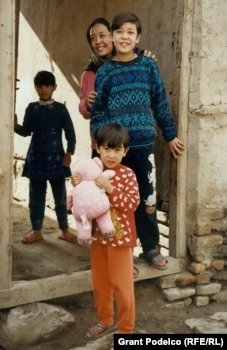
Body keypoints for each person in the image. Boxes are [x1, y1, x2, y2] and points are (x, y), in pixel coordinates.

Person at [90, 12, 185, 270]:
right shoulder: (106, 72)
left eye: (130, 32)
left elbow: (160, 101)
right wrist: (103, 143)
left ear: (137, 37)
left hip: (143, 146)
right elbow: (97, 112)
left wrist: (170, 134)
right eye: (119, 32)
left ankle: (151, 248)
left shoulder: (147, 66)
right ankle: (123, 252)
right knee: (117, 201)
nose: (124, 37)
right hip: (116, 151)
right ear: (112, 36)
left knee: (146, 200)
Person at [72, 123, 140, 342]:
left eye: (117, 149)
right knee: (101, 284)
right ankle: (105, 320)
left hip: (121, 241)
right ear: (98, 148)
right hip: (98, 239)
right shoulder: (93, 171)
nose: (111, 155)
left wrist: (111, 189)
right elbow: (82, 201)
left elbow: (132, 203)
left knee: (122, 287)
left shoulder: (127, 174)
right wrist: (77, 185)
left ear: (125, 151)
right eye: (107, 149)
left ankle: (126, 331)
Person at [79, 17, 156, 158]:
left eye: (102, 36)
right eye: (93, 38)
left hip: (134, 143)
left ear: (112, 36)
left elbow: (153, 96)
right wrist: (87, 104)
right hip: (104, 146)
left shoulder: (138, 61)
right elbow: (84, 111)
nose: (98, 42)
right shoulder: (89, 73)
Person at [14, 70, 77, 244]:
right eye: (39, 86)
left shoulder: (60, 109)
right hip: (36, 160)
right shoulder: (32, 109)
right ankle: (36, 231)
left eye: (47, 86)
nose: (43, 90)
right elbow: (26, 131)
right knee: (36, 198)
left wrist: (69, 154)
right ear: (36, 88)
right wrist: (15, 125)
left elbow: (71, 134)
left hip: (57, 159)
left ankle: (65, 230)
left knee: (60, 198)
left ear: (54, 87)